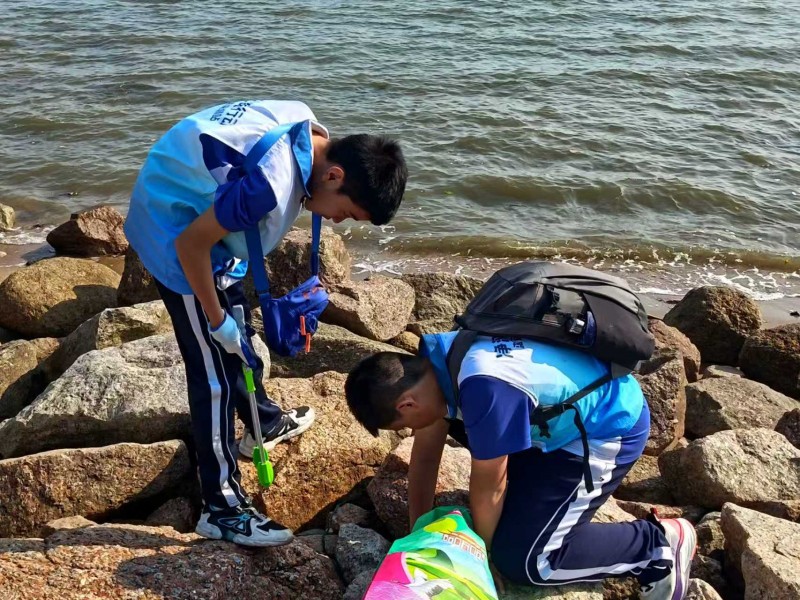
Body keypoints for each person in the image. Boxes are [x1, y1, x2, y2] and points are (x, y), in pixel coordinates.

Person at [124, 100, 407, 547]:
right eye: (346, 213)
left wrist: (230, 320)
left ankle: (264, 421)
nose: (336, 220)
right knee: (214, 375)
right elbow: (192, 245)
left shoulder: (307, 124)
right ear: (334, 176)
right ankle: (221, 508)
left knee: (241, 339)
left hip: (203, 205)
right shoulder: (268, 187)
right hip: (174, 231)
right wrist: (215, 319)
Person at [344, 332, 697, 599]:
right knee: (503, 527)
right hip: (551, 428)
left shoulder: (484, 386)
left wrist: (478, 561)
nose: (412, 430)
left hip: (605, 426)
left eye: (405, 425)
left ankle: (655, 546)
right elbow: (424, 458)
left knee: (526, 561)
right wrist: (416, 535)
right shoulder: (436, 364)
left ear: (406, 405)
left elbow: (490, 485)